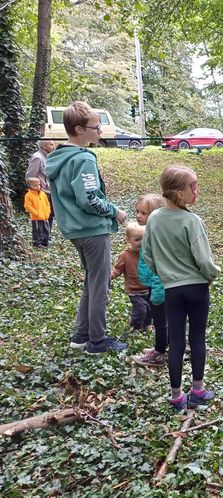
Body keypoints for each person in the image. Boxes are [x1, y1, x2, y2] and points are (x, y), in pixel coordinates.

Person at [45, 101, 128, 354]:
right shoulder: (82, 160)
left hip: (74, 230)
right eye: (96, 126)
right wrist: (116, 212)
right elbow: (89, 198)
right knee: (100, 285)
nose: (100, 131)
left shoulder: (58, 157)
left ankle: (81, 335)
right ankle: (97, 340)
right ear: (79, 129)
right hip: (92, 231)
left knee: (91, 282)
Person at [142, 166, 220, 411]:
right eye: (193, 187)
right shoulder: (192, 221)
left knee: (176, 341)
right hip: (197, 288)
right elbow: (204, 259)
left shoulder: (154, 219)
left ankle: (176, 397)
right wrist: (211, 275)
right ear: (178, 193)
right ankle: (198, 390)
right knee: (197, 337)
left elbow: (147, 254)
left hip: (171, 290)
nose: (197, 191)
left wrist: (164, 273)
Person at [134, 194, 168, 367]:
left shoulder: (156, 237)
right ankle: (163, 346)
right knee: (162, 321)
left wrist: (157, 292)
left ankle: (159, 352)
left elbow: (159, 269)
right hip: (153, 286)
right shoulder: (150, 233)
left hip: (159, 290)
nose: (138, 216)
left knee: (161, 322)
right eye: (137, 212)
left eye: (144, 213)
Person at [111, 222, 152, 332]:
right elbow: (118, 268)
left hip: (149, 288)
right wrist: (111, 276)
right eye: (137, 239)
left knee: (150, 309)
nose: (141, 242)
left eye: (143, 239)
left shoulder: (148, 253)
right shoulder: (125, 255)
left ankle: (147, 324)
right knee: (141, 309)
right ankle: (135, 326)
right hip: (134, 290)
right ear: (128, 239)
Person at [26, 140, 56, 230]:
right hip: (42, 191)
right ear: (44, 146)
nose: (54, 146)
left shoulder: (49, 156)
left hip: (50, 191)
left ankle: (47, 237)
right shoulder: (37, 157)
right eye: (51, 144)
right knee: (41, 215)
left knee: (49, 214)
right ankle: (40, 239)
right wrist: (36, 191)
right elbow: (30, 176)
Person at [23, 177, 51, 248]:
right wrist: (36, 213)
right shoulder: (28, 195)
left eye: (39, 184)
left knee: (46, 230)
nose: (38, 186)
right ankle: (37, 242)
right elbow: (27, 206)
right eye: (35, 185)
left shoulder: (43, 194)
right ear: (30, 186)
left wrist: (48, 212)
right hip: (36, 217)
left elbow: (47, 203)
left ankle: (45, 241)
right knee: (38, 230)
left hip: (45, 216)